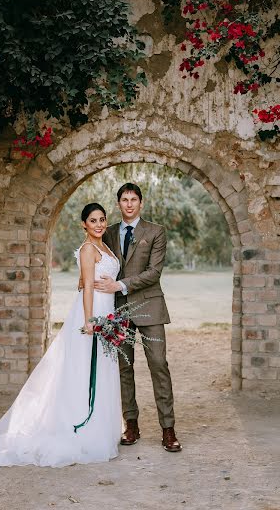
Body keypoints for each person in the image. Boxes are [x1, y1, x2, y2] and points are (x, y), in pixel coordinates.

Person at [0, 203, 122, 469]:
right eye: (93, 220)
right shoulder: (88, 249)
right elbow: (86, 290)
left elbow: (90, 281)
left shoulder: (105, 247)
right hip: (93, 314)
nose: (98, 224)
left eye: (102, 219)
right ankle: (81, 424)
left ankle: (103, 426)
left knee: (103, 369)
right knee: (84, 370)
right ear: (84, 224)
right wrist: (89, 322)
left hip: (108, 311)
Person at [95, 183, 182, 452]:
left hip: (150, 306)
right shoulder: (107, 233)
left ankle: (168, 429)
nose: (129, 204)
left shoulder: (156, 232)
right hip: (118, 310)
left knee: (158, 364)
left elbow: (154, 273)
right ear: (118, 204)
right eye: (124, 199)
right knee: (123, 367)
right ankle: (130, 424)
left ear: (141, 203)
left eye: (134, 199)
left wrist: (119, 285)